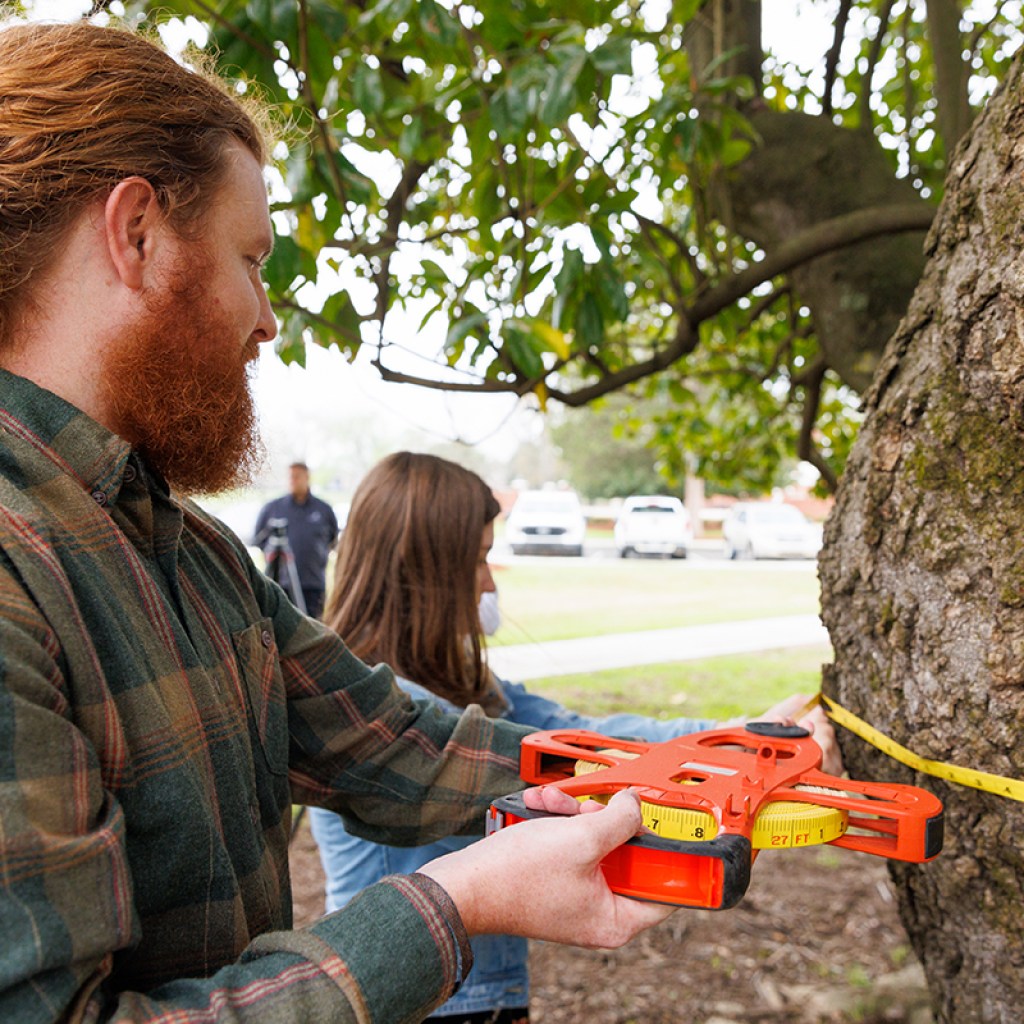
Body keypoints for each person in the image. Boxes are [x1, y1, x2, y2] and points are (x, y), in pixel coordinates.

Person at [0, 21, 684, 1024]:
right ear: (136, 233)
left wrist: (680, 767)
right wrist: (452, 902)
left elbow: (391, 742)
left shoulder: (193, 555)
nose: (267, 317)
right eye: (251, 257)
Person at [309, 452, 841, 1024]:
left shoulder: (469, 686)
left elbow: (594, 739)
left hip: (477, 993)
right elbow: (581, 762)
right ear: (426, 569)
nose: (490, 581)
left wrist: (741, 736)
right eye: (480, 558)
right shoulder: (389, 722)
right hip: (416, 1006)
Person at [253, 461, 339, 617]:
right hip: (280, 585)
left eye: (297, 476)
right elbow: (259, 540)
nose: (292, 480)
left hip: (312, 584)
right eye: (290, 477)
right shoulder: (272, 508)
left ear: (307, 477)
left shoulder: (324, 509)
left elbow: (333, 540)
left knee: (313, 631)